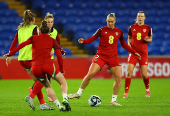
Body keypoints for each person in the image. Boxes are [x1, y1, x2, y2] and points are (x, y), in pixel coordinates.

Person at [68, 13, 141, 106]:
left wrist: (134, 52)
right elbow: (91, 39)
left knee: (118, 78)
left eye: (112, 22)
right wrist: (84, 41)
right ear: (106, 21)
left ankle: (113, 101)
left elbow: (124, 44)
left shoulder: (119, 31)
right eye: (108, 21)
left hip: (113, 57)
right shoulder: (101, 30)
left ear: (115, 21)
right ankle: (78, 93)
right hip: (101, 56)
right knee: (90, 74)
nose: (110, 23)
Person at [3, 20, 71, 111]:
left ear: (39, 31)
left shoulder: (33, 38)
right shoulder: (52, 40)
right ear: (48, 31)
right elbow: (59, 56)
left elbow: (21, 45)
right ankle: (65, 99)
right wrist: (61, 69)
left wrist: (10, 53)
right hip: (47, 65)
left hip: (35, 67)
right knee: (63, 82)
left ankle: (59, 106)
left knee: (47, 86)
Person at [8, 10, 54, 110]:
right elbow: (39, 41)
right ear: (33, 19)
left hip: (22, 59)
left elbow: (14, 43)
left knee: (37, 80)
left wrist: (9, 55)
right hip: (31, 58)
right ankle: (31, 96)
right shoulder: (35, 28)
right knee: (43, 79)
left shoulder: (20, 30)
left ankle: (42, 104)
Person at [28, 12, 65, 102]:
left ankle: (34, 92)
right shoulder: (39, 32)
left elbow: (58, 44)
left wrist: (60, 50)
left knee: (46, 78)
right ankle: (34, 92)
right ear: (45, 22)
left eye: (51, 22)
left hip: (49, 59)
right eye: (48, 22)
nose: (50, 24)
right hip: (40, 59)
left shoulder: (55, 32)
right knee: (43, 79)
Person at [123, 11, 152, 98]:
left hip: (143, 54)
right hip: (133, 53)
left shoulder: (148, 28)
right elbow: (129, 37)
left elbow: (151, 39)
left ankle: (147, 90)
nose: (140, 18)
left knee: (144, 74)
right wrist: (129, 44)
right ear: (137, 17)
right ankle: (126, 93)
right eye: (139, 16)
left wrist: (148, 40)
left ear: (144, 18)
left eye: (142, 16)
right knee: (129, 73)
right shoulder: (132, 27)